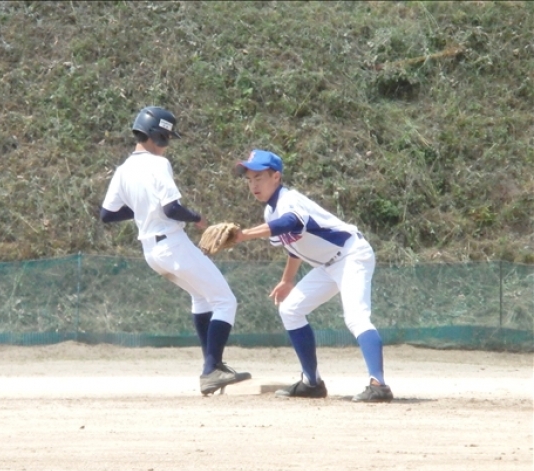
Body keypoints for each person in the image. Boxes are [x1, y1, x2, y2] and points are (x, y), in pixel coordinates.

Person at [99, 106, 251, 396]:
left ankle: (212, 368)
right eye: (166, 137)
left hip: (151, 252)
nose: (166, 144)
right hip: (172, 244)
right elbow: (171, 209)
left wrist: (143, 211)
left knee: (201, 297)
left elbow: (107, 214)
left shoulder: (123, 170)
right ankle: (212, 369)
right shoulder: (158, 164)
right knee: (225, 300)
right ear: (157, 135)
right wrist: (197, 218)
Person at [232, 149, 393, 402]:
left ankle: (379, 384)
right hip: (328, 266)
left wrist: (244, 235)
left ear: (276, 177)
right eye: (249, 179)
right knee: (290, 310)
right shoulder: (270, 212)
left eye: (259, 177)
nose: (253, 185)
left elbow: (290, 224)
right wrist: (287, 280)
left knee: (356, 317)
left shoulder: (289, 200)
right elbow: (293, 246)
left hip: (351, 254)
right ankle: (312, 382)